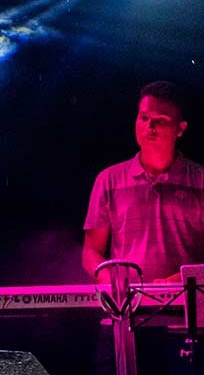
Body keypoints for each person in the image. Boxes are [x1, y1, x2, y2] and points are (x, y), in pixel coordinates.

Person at [82, 81, 204, 283]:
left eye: (161, 120)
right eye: (144, 118)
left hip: (188, 300)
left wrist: (182, 280)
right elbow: (91, 251)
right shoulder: (108, 180)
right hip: (127, 302)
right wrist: (114, 282)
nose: (150, 127)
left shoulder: (200, 180)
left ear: (180, 129)